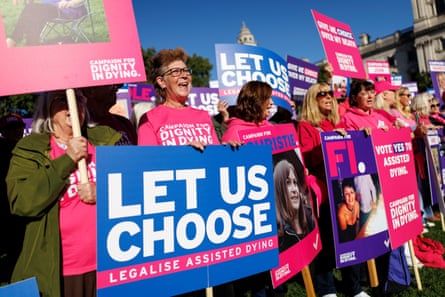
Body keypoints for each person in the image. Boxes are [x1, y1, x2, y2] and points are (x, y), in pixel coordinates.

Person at [137, 47, 234, 297]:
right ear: (161, 80)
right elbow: (146, 168)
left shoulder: (203, 117)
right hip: (176, 226)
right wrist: (182, 155)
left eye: (186, 71)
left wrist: (229, 152)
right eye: (176, 71)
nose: (185, 76)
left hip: (212, 218)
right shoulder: (150, 119)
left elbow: (216, 162)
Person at [6, 89, 121, 297]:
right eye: (62, 100)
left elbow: (138, 183)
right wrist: (68, 158)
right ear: (47, 110)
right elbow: (22, 201)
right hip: (62, 272)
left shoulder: (105, 141)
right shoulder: (31, 148)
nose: (72, 105)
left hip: (110, 263)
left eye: (78, 99)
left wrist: (188, 152)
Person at [296, 82, 370, 297]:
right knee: (325, 243)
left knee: (350, 238)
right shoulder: (305, 126)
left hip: (345, 190)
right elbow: (307, 158)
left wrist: (361, 136)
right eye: (322, 94)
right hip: (323, 194)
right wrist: (327, 144)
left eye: (331, 94)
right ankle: (326, 289)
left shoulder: (337, 123)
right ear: (312, 99)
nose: (329, 97)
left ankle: (353, 287)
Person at [221, 80, 275, 297]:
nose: (271, 103)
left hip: (276, 210)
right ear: (256, 102)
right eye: (267, 99)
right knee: (256, 277)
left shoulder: (272, 129)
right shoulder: (233, 134)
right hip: (253, 217)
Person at [0, 113, 26, 283]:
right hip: (4, 207)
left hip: (21, 206)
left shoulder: (28, 148)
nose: (16, 131)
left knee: (19, 247)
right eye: (11, 128)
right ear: (3, 131)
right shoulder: (2, 149)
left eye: (19, 127)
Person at [274, 158, 315, 251]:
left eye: (295, 182)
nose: (294, 190)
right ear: (279, 189)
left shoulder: (310, 218)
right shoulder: (278, 236)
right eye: (288, 183)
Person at [6, 0, 87, 47]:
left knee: (32, 9)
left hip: (65, 8)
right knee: (33, 10)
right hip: (47, 6)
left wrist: (70, 3)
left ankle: (14, 39)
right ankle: (31, 45)